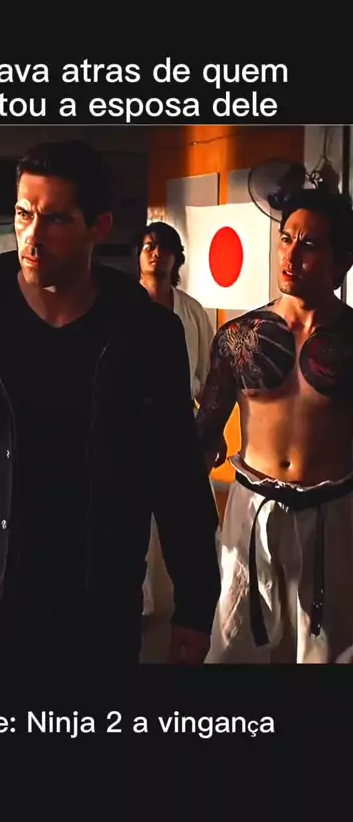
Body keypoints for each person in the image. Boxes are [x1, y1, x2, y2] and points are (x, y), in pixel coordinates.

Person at [0, 140, 220, 668]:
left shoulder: (147, 334)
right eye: (24, 214)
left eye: (57, 219)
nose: (33, 237)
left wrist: (195, 606)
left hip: (100, 605)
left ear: (98, 227)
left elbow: (177, 476)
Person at [195, 186, 353, 664]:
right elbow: (205, 434)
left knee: (329, 652)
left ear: (342, 261)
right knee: (232, 645)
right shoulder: (238, 338)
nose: (290, 255)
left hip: (333, 511)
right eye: (286, 239)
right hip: (252, 507)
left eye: (310, 245)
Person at [133, 221, 218, 618]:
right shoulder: (123, 306)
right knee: (134, 519)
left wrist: (210, 432)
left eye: (164, 247)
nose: (156, 254)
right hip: (132, 421)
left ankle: (196, 602)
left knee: (189, 519)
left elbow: (208, 377)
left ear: (176, 258)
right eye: (148, 246)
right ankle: (139, 601)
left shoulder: (191, 311)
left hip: (181, 419)